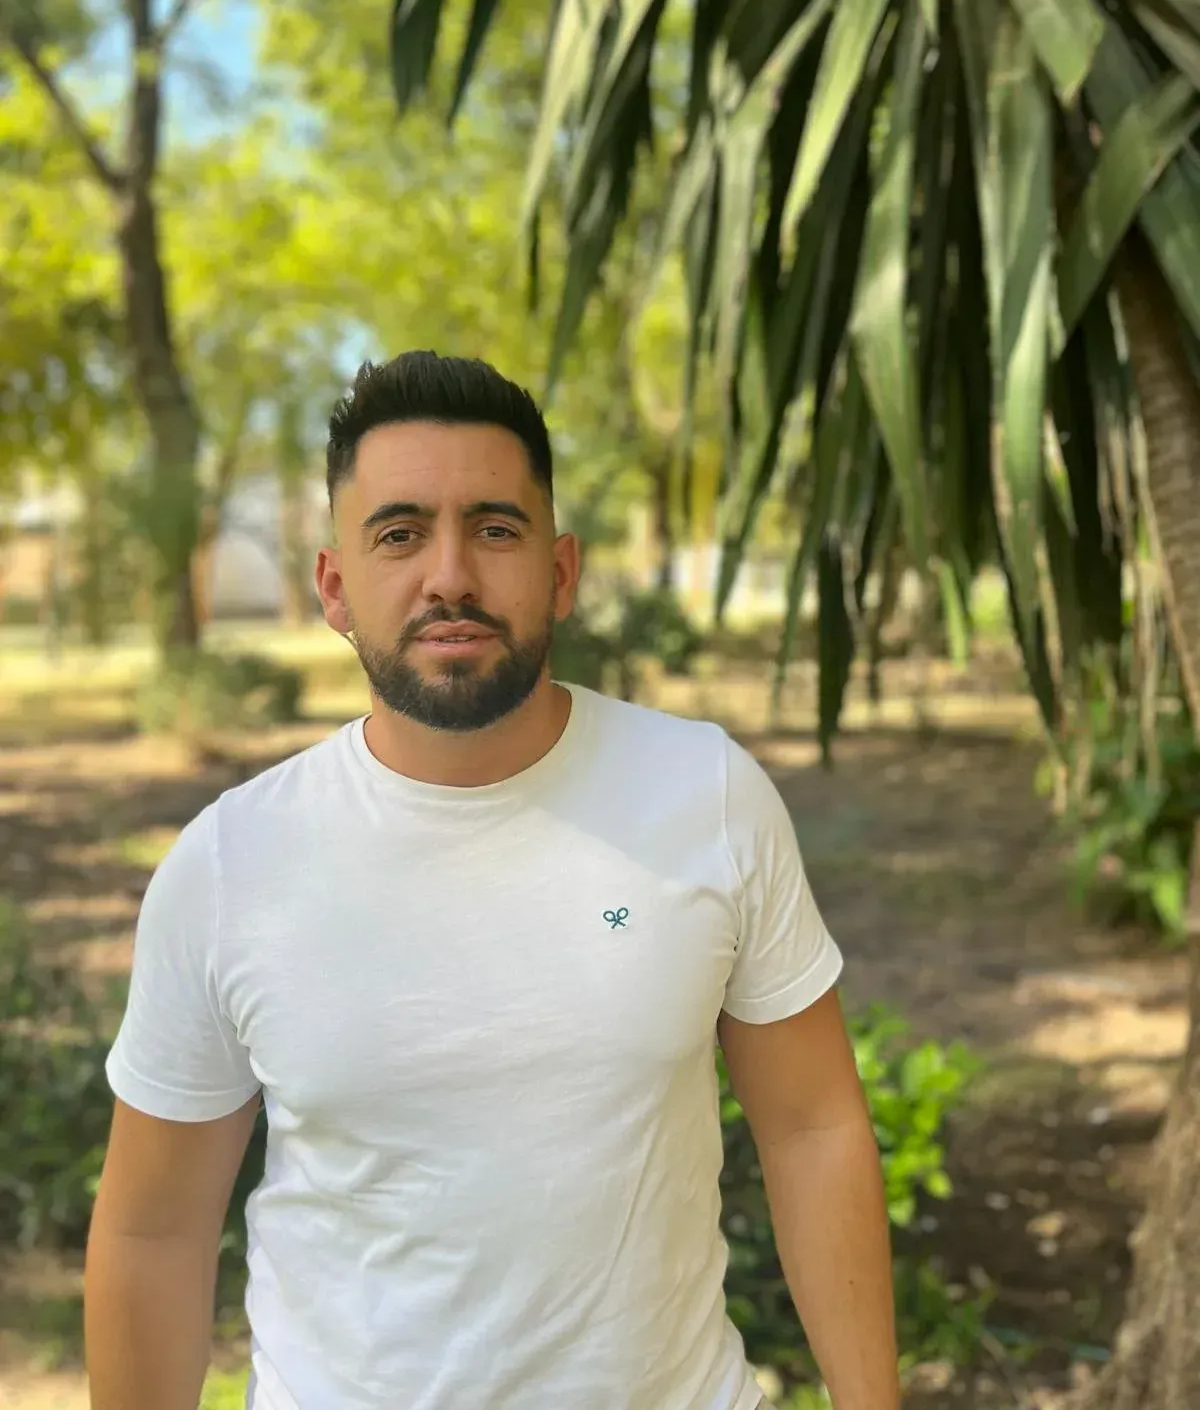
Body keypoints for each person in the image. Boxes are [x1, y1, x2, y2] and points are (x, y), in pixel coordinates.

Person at [84, 352, 900, 1410]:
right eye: (399, 532)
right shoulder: (232, 866)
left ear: (560, 572)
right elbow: (155, 1232)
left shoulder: (704, 792)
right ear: (336, 585)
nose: (450, 575)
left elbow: (814, 1129)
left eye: (495, 528)